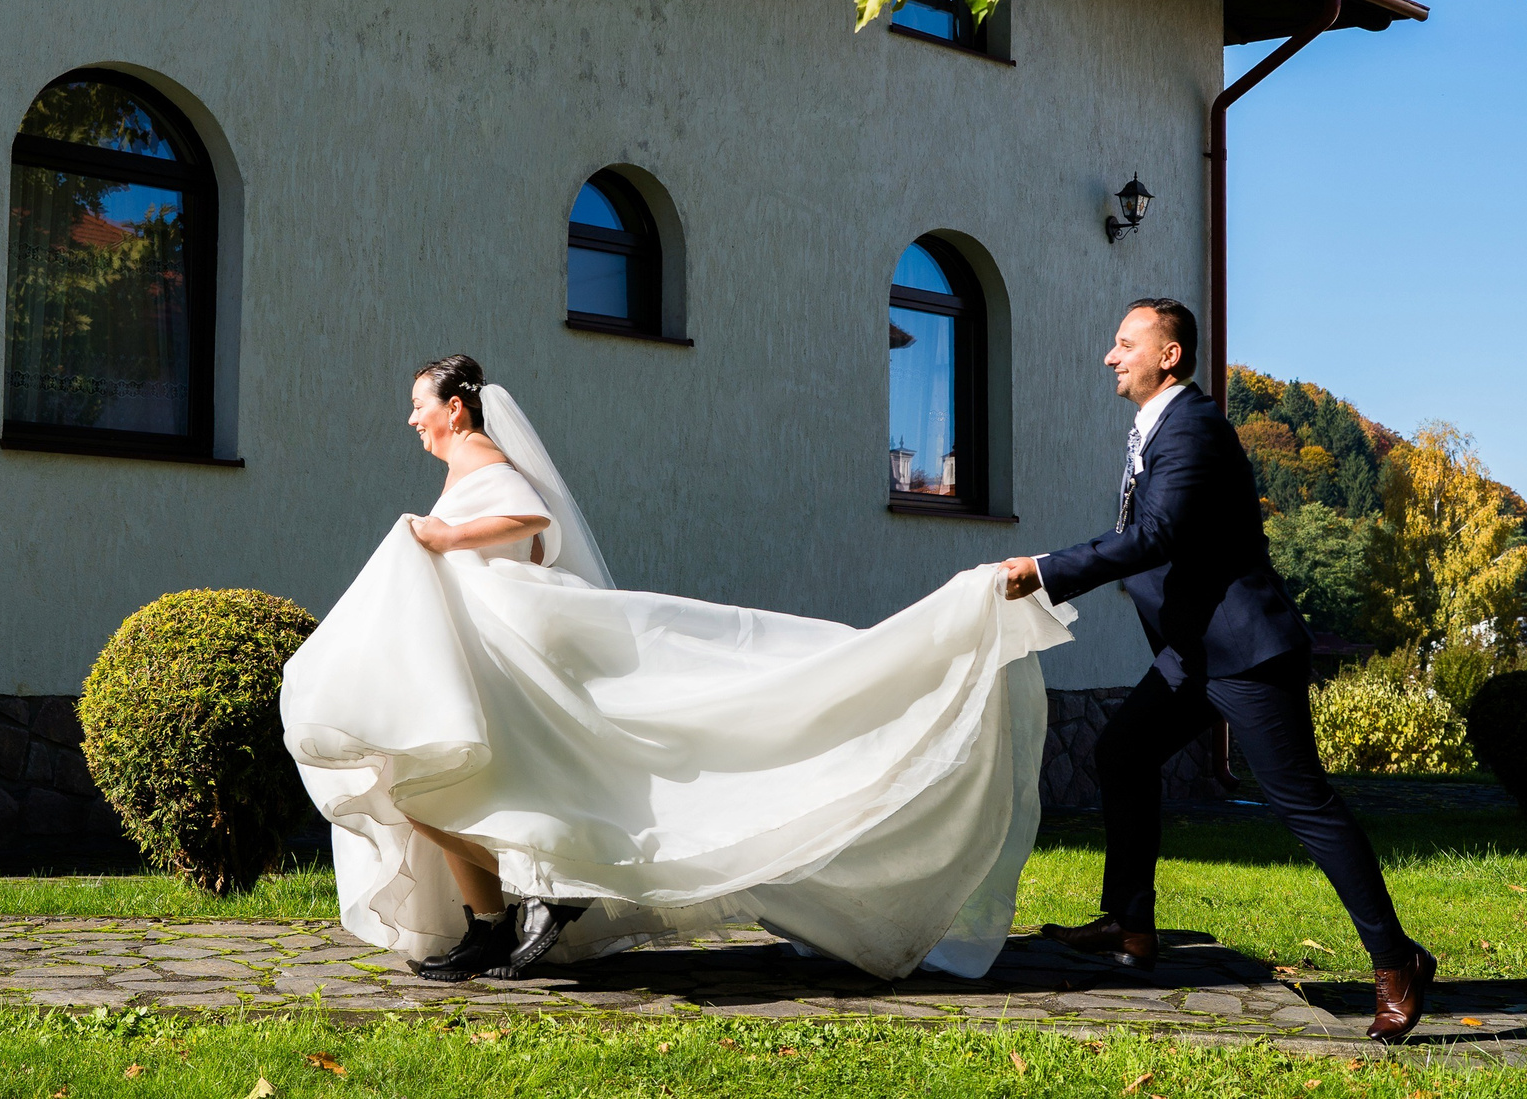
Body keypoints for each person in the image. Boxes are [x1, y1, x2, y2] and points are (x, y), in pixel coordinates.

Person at [282, 354, 1068, 984]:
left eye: (420, 402)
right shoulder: (460, 471)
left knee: (444, 789)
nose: (412, 416)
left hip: (514, 660)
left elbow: (531, 521)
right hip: (485, 664)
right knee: (432, 789)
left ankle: (542, 890)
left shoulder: (484, 461)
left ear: (456, 406)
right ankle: (492, 922)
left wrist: (439, 540)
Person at [997, 299, 1436, 1043]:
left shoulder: (1193, 427)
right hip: (1193, 653)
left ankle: (1397, 962)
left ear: (1169, 356)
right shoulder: (1157, 430)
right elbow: (1144, 535)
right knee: (1122, 751)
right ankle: (1131, 924)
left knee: (1303, 804)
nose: (1111, 355)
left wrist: (1043, 569)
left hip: (1245, 652)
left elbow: (1155, 534)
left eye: (1125, 342)